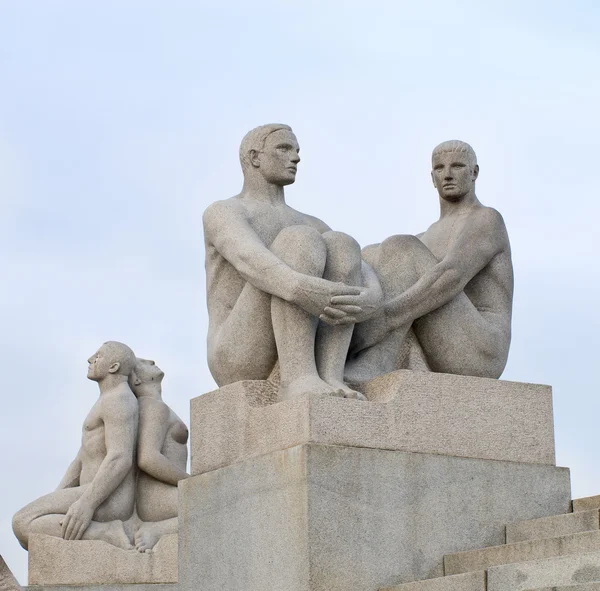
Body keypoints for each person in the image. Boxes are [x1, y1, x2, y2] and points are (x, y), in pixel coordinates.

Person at [203, 123, 382, 400]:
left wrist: (372, 295)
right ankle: (298, 376)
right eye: (284, 149)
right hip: (238, 351)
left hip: (308, 336)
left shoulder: (313, 222)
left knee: (342, 243)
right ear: (254, 157)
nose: (296, 157)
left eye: (297, 150)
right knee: (298, 241)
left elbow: (363, 269)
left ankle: (330, 375)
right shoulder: (225, 211)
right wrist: (303, 289)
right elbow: (250, 259)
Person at [345, 140, 513, 382]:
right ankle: (339, 349)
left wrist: (385, 319)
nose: (447, 174)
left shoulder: (487, 220)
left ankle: (377, 359)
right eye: (439, 168)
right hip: (440, 337)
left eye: (457, 166)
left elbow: (450, 276)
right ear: (432, 177)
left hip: (481, 348)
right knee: (372, 254)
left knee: (401, 247)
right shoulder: (426, 236)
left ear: (474, 172)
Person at [12, 342, 138, 550]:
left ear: (113, 367)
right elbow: (81, 458)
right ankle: (101, 532)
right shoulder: (106, 399)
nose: (90, 359)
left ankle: (106, 532)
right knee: (26, 534)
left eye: (98, 356)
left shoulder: (119, 399)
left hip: (108, 498)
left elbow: (120, 457)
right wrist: (56, 495)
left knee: (22, 522)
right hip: (90, 493)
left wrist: (87, 504)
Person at [128, 357, 189, 553]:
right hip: (157, 496)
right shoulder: (153, 406)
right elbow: (148, 458)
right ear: (136, 379)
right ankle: (158, 529)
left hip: (160, 494)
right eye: (144, 363)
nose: (151, 361)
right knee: (222, 502)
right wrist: (193, 483)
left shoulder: (150, 406)